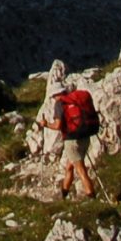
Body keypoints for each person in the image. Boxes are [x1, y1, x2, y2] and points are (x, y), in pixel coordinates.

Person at [40, 67, 100, 199]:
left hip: (72, 140)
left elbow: (57, 125)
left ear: (55, 94)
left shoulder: (59, 104)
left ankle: (92, 197)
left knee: (81, 170)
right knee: (69, 167)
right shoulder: (74, 99)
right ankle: (63, 196)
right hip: (85, 136)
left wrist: (46, 124)